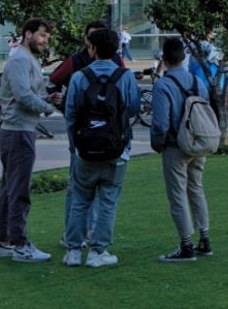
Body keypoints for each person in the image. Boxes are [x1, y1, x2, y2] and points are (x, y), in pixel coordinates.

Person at [62, 29, 140, 268]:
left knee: (80, 199)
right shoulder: (125, 77)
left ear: (92, 49)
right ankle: (98, 251)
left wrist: (74, 145)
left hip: (85, 149)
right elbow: (133, 108)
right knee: (108, 201)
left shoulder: (79, 77)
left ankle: (73, 251)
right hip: (116, 149)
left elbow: (70, 114)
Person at [0, 18, 63, 263]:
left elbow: (27, 94)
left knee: (10, 187)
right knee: (19, 189)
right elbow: (23, 96)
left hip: (19, 130)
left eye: (47, 37)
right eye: (42, 35)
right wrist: (48, 107)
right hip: (18, 132)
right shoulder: (20, 60)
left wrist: (46, 98)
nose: (45, 41)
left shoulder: (28, 59)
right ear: (27, 34)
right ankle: (19, 244)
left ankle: (6, 240)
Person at [151, 37, 213, 262]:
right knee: (196, 188)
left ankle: (186, 245)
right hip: (197, 143)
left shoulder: (163, 85)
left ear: (164, 59)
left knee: (177, 194)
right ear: (184, 57)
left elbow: (161, 123)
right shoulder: (197, 82)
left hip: (175, 145)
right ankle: (204, 238)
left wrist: (158, 143)